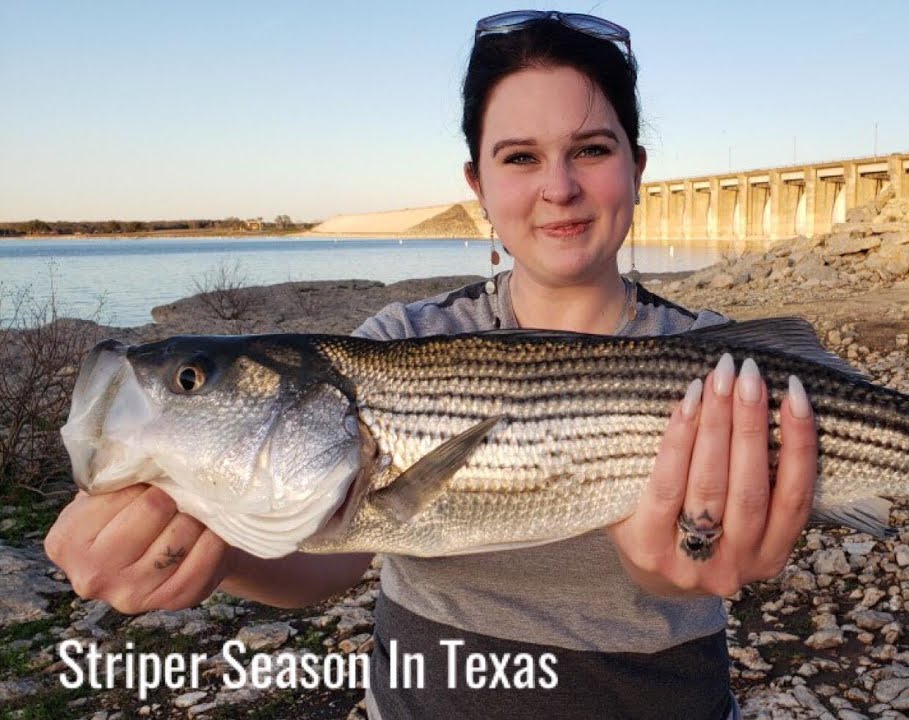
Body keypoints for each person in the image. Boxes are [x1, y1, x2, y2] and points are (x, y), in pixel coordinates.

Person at [45, 11, 818, 719]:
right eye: (520, 157)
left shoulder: (722, 360)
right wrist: (209, 556)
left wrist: (698, 560)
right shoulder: (397, 339)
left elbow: (729, 558)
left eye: (591, 149)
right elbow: (330, 561)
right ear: (479, 184)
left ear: (636, 166)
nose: (559, 187)